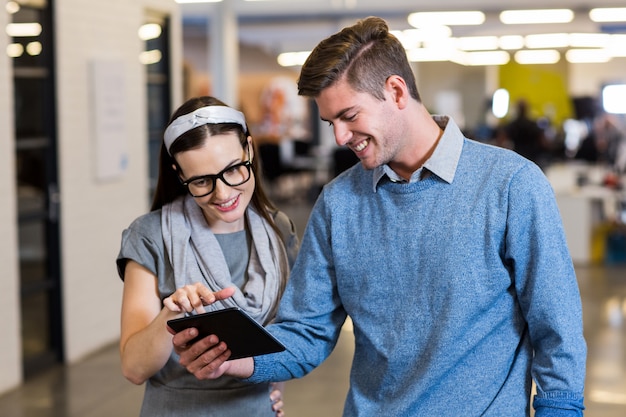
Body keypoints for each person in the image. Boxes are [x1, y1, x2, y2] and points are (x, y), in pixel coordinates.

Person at [169, 17, 587, 417]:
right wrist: (233, 358)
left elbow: (557, 328)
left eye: (349, 116)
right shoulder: (337, 204)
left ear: (397, 91)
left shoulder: (511, 184)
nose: (339, 137)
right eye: (330, 122)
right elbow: (307, 332)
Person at [116, 96, 299, 417]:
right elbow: (133, 368)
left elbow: (285, 332)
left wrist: (275, 389)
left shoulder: (278, 229)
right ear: (179, 174)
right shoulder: (150, 235)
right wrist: (170, 314)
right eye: (201, 181)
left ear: (250, 151)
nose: (223, 193)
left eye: (233, 169)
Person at [503, 99, 548, 166]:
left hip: (517, 158)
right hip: (532, 158)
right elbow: (543, 142)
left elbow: (502, 142)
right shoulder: (533, 125)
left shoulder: (512, 125)